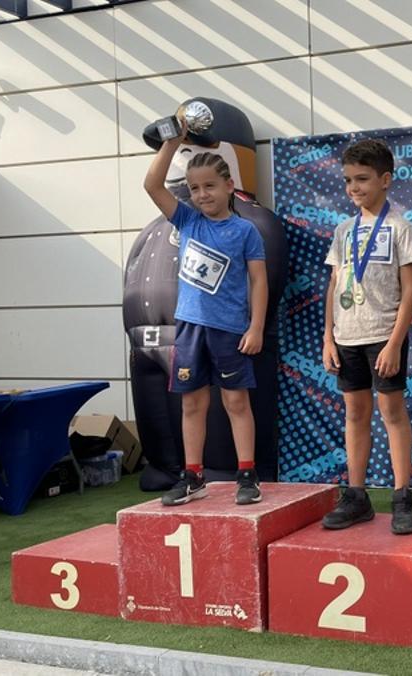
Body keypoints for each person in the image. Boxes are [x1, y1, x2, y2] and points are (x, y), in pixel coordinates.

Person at [143, 122, 268, 507]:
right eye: (195, 188)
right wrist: (172, 144)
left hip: (230, 331)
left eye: (210, 186)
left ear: (229, 186)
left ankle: (247, 474)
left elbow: (258, 281)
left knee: (236, 403)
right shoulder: (187, 220)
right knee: (192, 404)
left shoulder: (245, 231)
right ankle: (193, 475)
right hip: (190, 331)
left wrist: (256, 327)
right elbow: (152, 186)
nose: (202, 194)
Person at [320, 138, 412, 535]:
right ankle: (358, 496)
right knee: (355, 414)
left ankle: (402, 497)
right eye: (348, 180)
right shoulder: (344, 231)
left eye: (362, 179)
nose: (354, 188)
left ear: (386, 180)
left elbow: (410, 289)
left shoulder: (400, 228)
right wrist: (328, 337)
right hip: (347, 337)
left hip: (384, 336)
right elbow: (334, 284)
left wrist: (395, 342)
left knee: (392, 414)